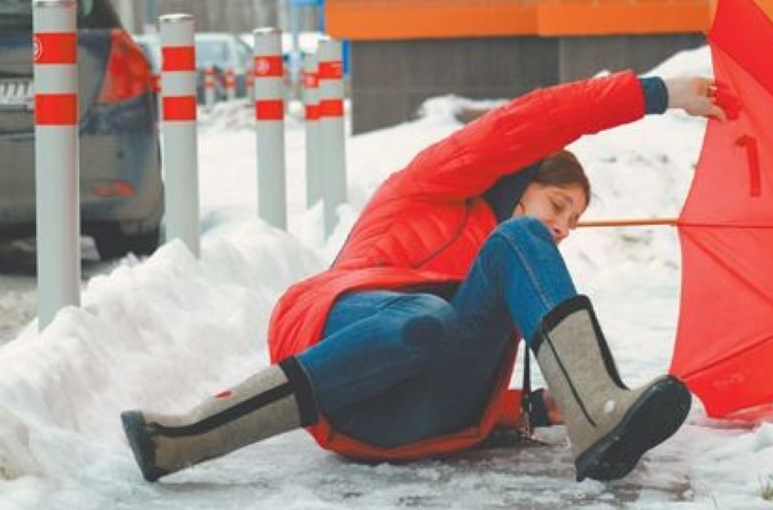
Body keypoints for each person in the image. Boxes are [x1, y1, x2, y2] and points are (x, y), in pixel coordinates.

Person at [121, 70, 726, 482]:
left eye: (574, 218)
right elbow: (531, 120)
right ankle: (192, 436)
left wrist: (537, 409)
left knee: (457, 300)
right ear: (520, 181)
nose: (564, 227)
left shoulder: (507, 260)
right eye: (558, 205)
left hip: (424, 422)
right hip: (348, 369)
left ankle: (598, 419)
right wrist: (657, 93)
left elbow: (467, 370)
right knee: (422, 318)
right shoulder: (430, 188)